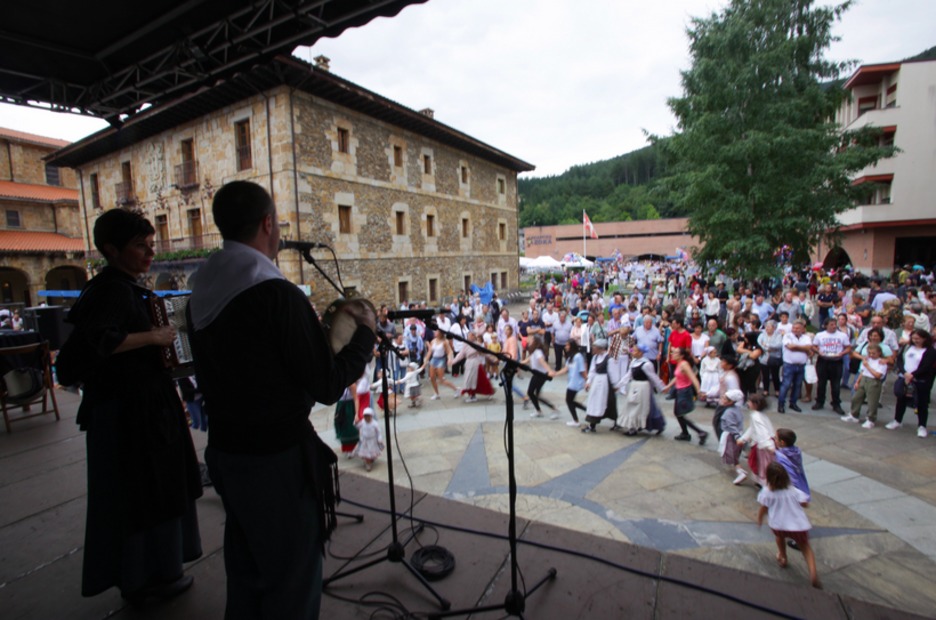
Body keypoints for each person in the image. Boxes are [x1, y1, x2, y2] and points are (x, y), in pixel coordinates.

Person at [188, 181, 376, 619]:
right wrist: (365, 333)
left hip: (227, 450)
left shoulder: (203, 287)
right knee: (292, 578)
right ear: (268, 223)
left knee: (248, 567)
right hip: (275, 461)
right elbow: (326, 385)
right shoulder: (276, 294)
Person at [60, 209, 202, 605]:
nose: (150, 253)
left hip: (140, 407)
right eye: (141, 246)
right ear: (111, 249)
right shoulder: (113, 291)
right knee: (146, 494)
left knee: (150, 491)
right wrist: (154, 337)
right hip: (132, 414)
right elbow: (99, 341)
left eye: (151, 245)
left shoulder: (120, 287)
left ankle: (150, 574)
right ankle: (148, 578)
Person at [757, 462, 820, 589]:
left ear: (769, 478)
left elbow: (763, 508)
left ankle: (783, 557)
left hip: (778, 525)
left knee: (780, 538)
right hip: (797, 526)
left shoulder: (767, 492)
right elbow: (805, 503)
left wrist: (759, 519)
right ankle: (813, 575)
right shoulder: (793, 491)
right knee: (806, 549)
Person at [887, 328, 936, 437]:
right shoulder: (907, 347)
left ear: (924, 338)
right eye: (913, 338)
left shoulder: (930, 351)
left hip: (920, 380)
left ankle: (922, 426)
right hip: (904, 378)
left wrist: (913, 375)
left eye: (918, 339)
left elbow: (926, 366)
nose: (915, 341)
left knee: (922, 403)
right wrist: (904, 373)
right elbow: (900, 360)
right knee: (901, 400)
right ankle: (897, 420)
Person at [619, 343, 666, 435]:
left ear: (640, 353)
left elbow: (654, 377)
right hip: (634, 386)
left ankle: (635, 427)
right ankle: (635, 426)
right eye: (632, 350)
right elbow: (628, 375)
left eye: (634, 351)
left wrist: (662, 387)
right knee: (634, 406)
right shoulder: (633, 362)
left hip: (643, 387)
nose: (632, 352)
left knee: (640, 407)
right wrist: (619, 385)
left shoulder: (646, 364)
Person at [665, 347, 708, 444]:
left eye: (675, 353)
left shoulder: (684, 364)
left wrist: (699, 391)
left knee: (679, 414)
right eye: (673, 352)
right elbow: (677, 377)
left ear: (681, 356)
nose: (672, 354)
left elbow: (693, 378)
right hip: (679, 391)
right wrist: (668, 386)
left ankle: (700, 432)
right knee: (678, 413)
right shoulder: (679, 363)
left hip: (684, 392)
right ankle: (685, 433)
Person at [811, 317, 851, 414]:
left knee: (836, 384)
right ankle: (820, 401)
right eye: (831, 324)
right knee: (821, 383)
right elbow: (813, 346)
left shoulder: (842, 335)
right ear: (826, 326)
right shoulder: (820, 335)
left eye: (835, 324)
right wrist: (818, 352)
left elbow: (848, 347)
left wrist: (842, 353)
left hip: (836, 361)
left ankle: (836, 403)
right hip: (823, 360)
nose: (834, 326)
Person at [737, 393, 775, 487]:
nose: (747, 403)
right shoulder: (759, 415)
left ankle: (764, 483)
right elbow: (753, 428)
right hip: (764, 443)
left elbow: (761, 431)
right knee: (760, 463)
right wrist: (743, 439)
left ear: (755, 404)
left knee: (762, 464)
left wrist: (769, 445)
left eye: (749, 401)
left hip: (763, 445)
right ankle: (760, 481)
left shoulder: (756, 416)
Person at [582, 339, 620, 433]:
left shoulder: (609, 359)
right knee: (595, 402)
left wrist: (615, 385)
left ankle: (616, 422)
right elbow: (592, 371)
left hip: (606, 383)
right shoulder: (595, 358)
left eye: (594, 347)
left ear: (601, 348)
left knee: (609, 402)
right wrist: (588, 382)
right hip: (597, 382)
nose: (593, 348)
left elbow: (613, 373)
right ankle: (592, 424)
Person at [847, 343, 887, 427]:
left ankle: (871, 419)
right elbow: (862, 371)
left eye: (873, 353)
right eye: (869, 353)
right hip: (864, 379)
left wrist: (868, 366)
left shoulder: (881, 362)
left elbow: (878, 375)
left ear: (879, 353)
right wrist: (857, 382)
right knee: (856, 398)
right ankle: (854, 414)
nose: (871, 355)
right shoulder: (867, 359)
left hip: (873, 381)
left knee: (872, 401)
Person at [450, 332, 496, 403]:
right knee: (468, 380)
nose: (472, 336)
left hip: (475, 363)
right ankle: (472, 395)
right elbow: (461, 354)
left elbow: (484, 353)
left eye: (473, 335)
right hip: (469, 363)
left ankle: (475, 395)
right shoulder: (465, 344)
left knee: (478, 380)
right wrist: (453, 361)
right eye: (470, 335)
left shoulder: (477, 344)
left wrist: (493, 358)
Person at [777, 321, 812, 413]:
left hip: (801, 365)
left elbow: (808, 348)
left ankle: (793, 403)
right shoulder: (787, 336)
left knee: (797, 385)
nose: (795, 330)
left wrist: (797, 347)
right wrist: (803, 348)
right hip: (789, 365)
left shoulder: (806, 337)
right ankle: (781, 404)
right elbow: (790, 347)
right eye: (794, 328)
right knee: (786, 385)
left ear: (802, 329)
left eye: (797, 328)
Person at [552, 340, 588, 427]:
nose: (565, 347)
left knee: (569, 401)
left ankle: (576, 420)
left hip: (576, 382)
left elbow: (582, 370)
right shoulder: (570, 357)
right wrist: (555, 374)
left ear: (572, 346)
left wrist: (587, 380)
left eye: (567, 345)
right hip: (572, 382)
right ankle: (588, 410)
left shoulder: (578, 357)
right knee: (570, 401)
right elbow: (566, 369)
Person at [716, 389, 746, 485]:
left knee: (732, 455)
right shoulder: (736, 409)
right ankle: (738, 470)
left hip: (730, 435)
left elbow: (731, 426)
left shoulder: (728, 412)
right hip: (736, 433)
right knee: (734, 454)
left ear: (730, 402)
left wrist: (736, 436)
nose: (722, 399)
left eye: (725, 398)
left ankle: (740, 472)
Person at [523, 338, 557, 417]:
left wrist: (550, 371)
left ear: (535, 342)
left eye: (531, 340)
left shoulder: (538, 352)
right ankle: (545, 410)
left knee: (531, 392)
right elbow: (526, 361)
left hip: (540, 375)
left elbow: (542, 362)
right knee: (536, 395)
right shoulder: (534, 352)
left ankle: (541, 410)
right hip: (538, 374)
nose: (529, 341)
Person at [774, 428, 810, 502]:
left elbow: (789, 476)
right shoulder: (796, 451)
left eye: (776, 438)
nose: (774, 440)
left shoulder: (780, 457)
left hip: (788, 490)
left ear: (782, 442)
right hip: (800, 483)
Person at [424, 328, 459, 400]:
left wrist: (449, 359)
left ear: (440, 333)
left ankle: (456, 389)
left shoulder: (445, 341)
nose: (435, 333)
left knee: (441, 379)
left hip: (441, 359)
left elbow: (449, 351)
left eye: (437, 332)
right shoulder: (433, 341)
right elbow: (430, 351)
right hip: (434, 359)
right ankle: (436, 393)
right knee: (432, 377)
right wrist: (426, 359)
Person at [351, 408, 384, 472]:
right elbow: (357, 426)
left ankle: (370, 459)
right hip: (365, 441)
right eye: (365, 416)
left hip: (372, 441)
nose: (367, 418)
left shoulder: (374, 424)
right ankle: (368, 463)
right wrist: (356, 422)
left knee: (372, 452)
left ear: (371, 416)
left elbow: (378, 432)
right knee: (366, 453)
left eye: (368, 416)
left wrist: (379, 438)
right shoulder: (363, 422)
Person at [334, 382, 359, 455]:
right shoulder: (340, 383)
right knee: (340, 425)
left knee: (350, 428)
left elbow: (356, 399)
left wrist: (357, 413)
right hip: (341, 407)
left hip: (349, 407)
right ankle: (348, 448)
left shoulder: (351, 384)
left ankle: (352, 448)